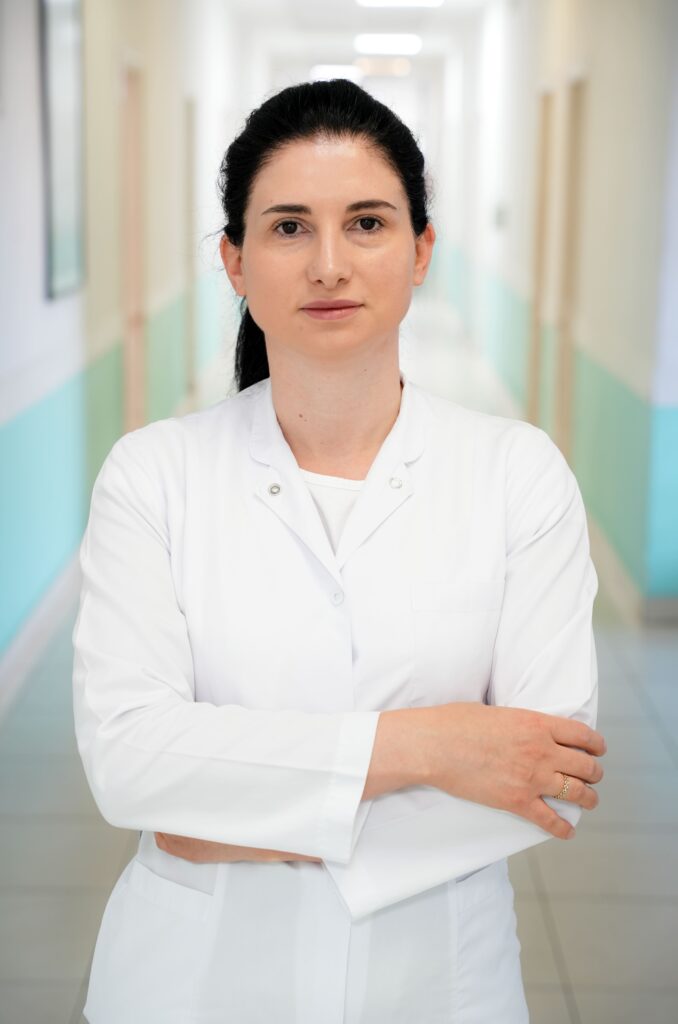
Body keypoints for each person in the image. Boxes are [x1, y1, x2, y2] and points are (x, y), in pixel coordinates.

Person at [72, 79, 606, 1023]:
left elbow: (547, 776)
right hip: (191, 986)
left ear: (421, 250)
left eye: (366, 223)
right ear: (235, 262)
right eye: (288, 227)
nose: (329, 264)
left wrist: (216, 816)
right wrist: (430, 746)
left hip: (438, 986)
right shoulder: (152, 475)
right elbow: (130, 765)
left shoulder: (516, 473)